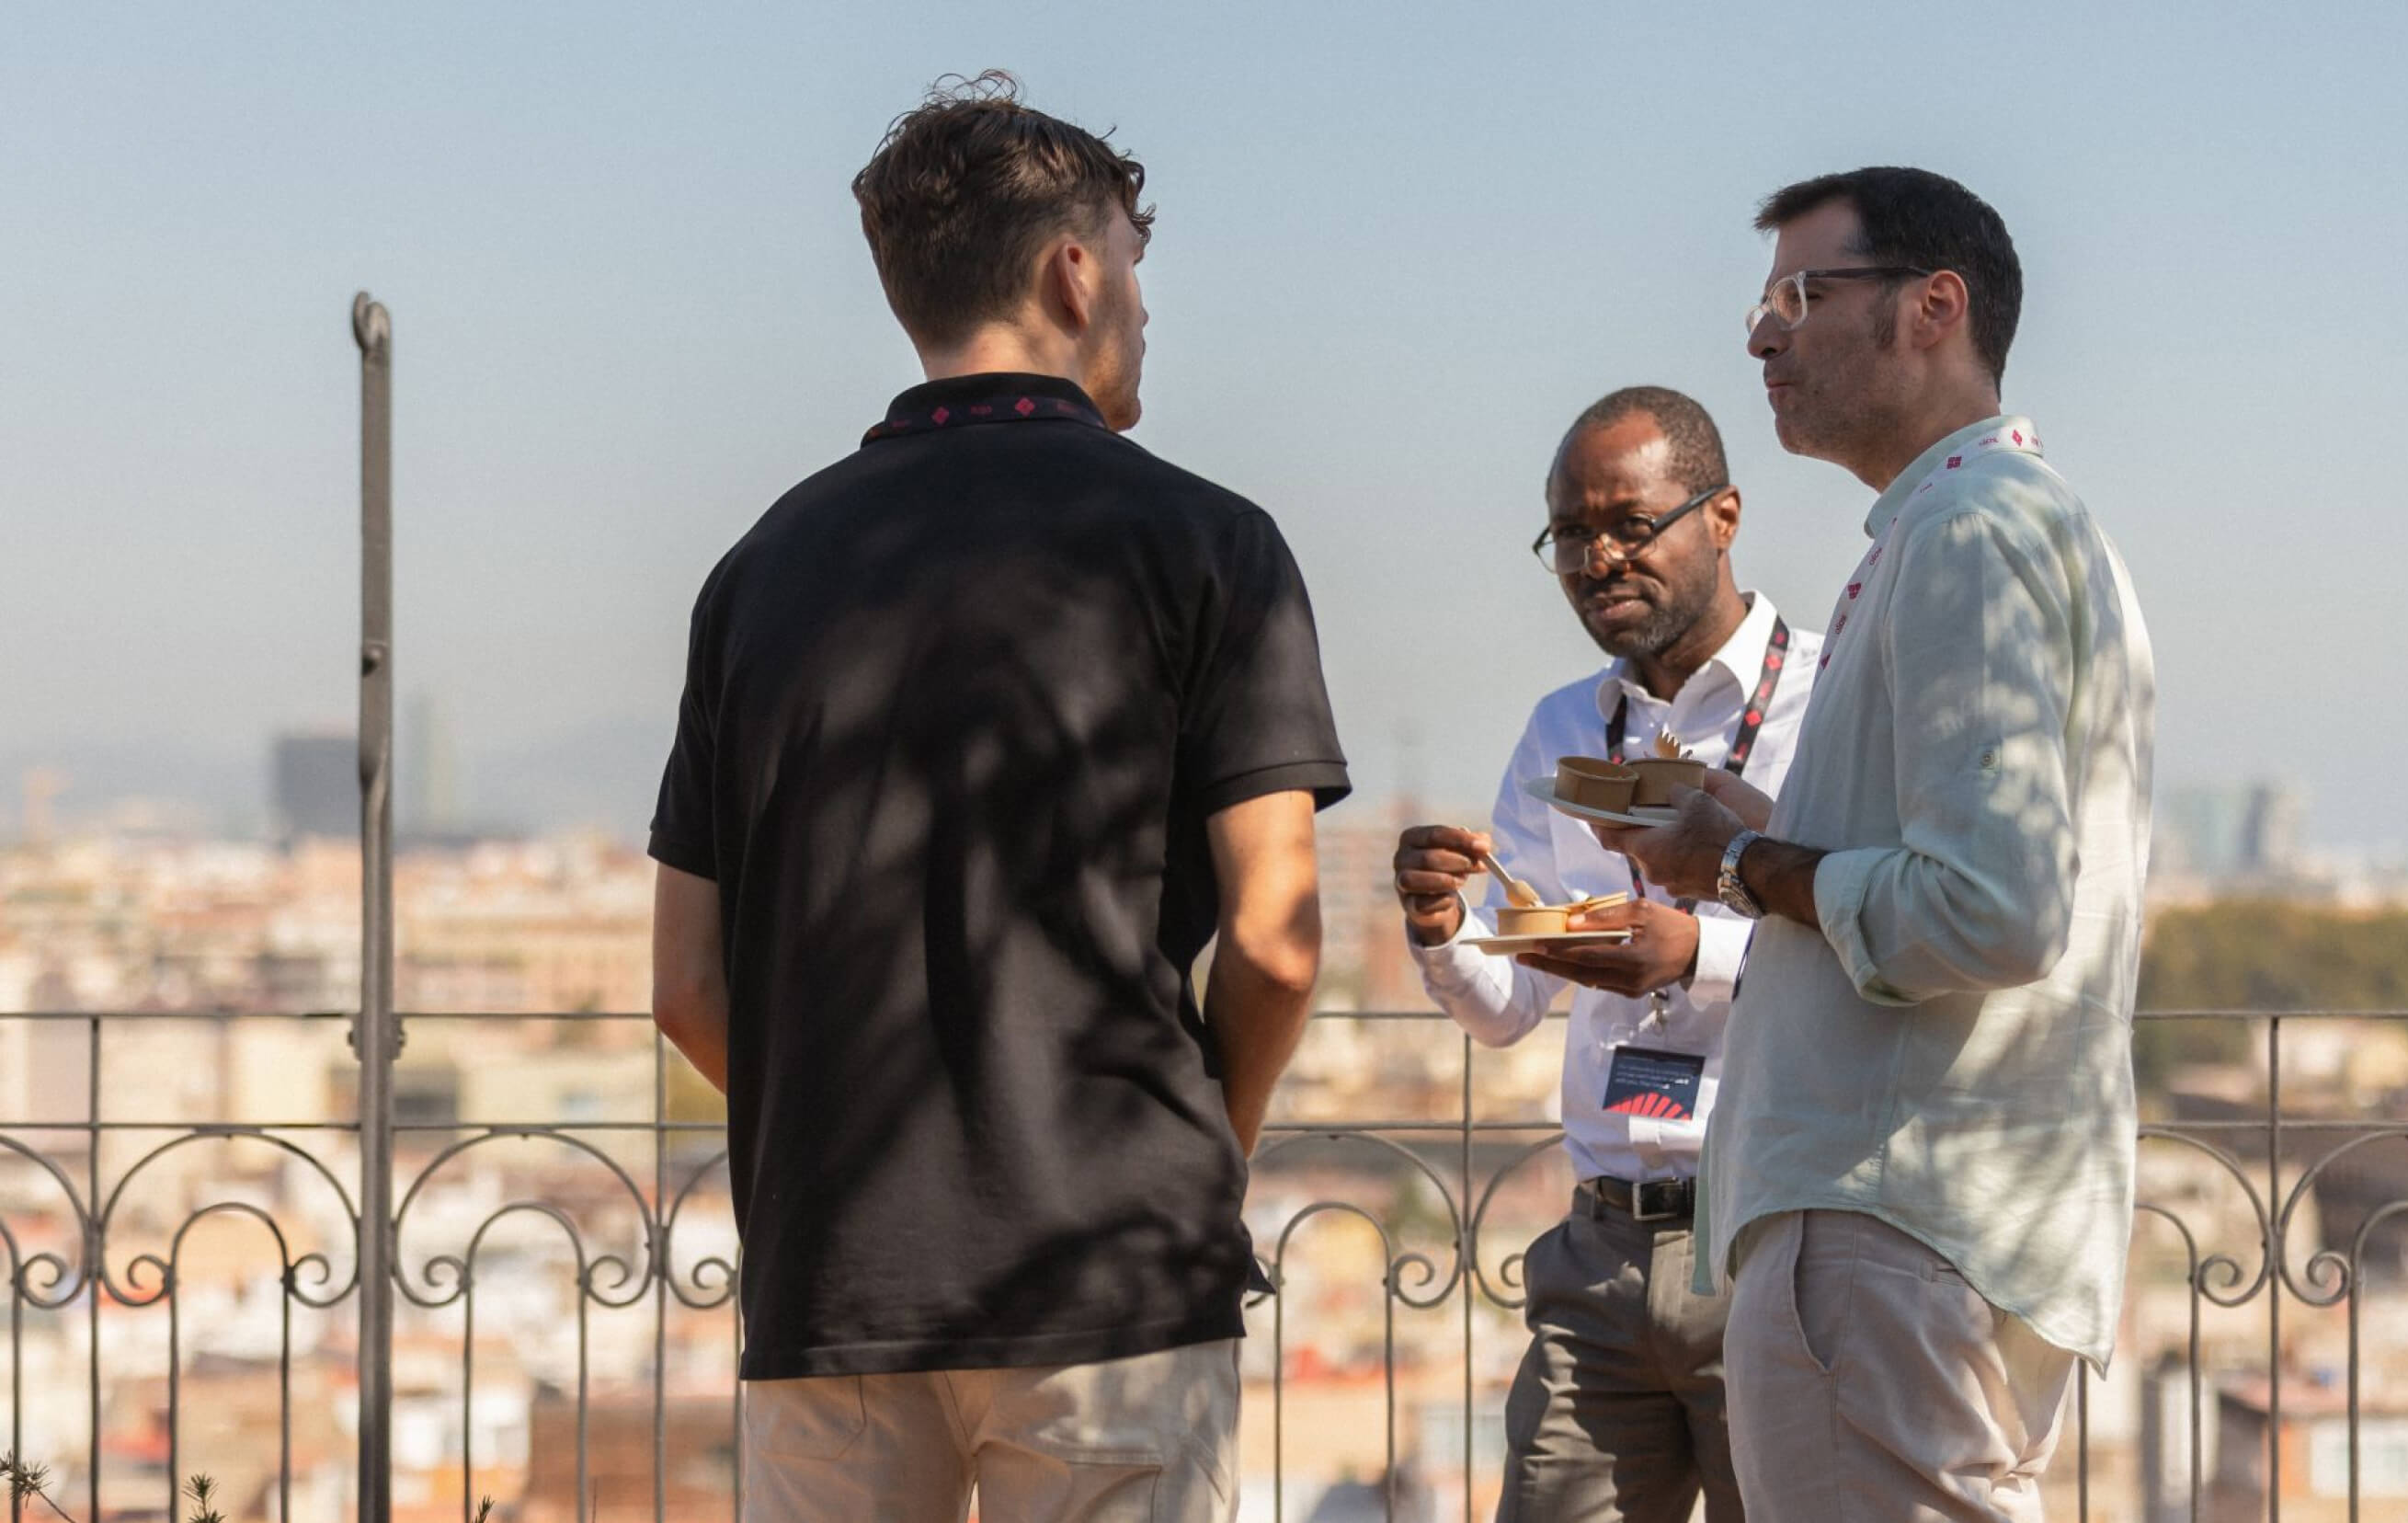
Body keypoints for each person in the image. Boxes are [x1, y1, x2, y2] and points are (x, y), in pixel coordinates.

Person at [646, 72, 1350, 1523]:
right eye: (1137, 271)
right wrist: (1204, 1140)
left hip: (832, 1276)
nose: (1145, 310)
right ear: (1073, 273)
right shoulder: (1212, 544)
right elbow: (1277, 939)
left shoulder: (756, 572)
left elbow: (685, 984)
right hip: (1113, 1270)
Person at [1595, 167, 2155, 1520]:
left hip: (1887, 1216)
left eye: (1803, 294)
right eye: (1764, 300)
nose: (1760, 336)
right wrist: (1772, 839)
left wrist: (1739, 871)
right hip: (1946, 1216)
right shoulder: (1999, 523)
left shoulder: (1966, 533)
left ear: (1934, 308)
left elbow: (1991, 911)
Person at [1392, 386, 1819, 1523]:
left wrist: (1693, 957)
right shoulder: (1559, 727)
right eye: (1570, 534)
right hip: (1598, 1253)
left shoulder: (1829, 699)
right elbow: (1505, 1008)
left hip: (1771, 1245)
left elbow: (1876, 937)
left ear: (1720, 516)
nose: (1595, 558)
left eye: (1626, 523)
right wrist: (1440, 932)